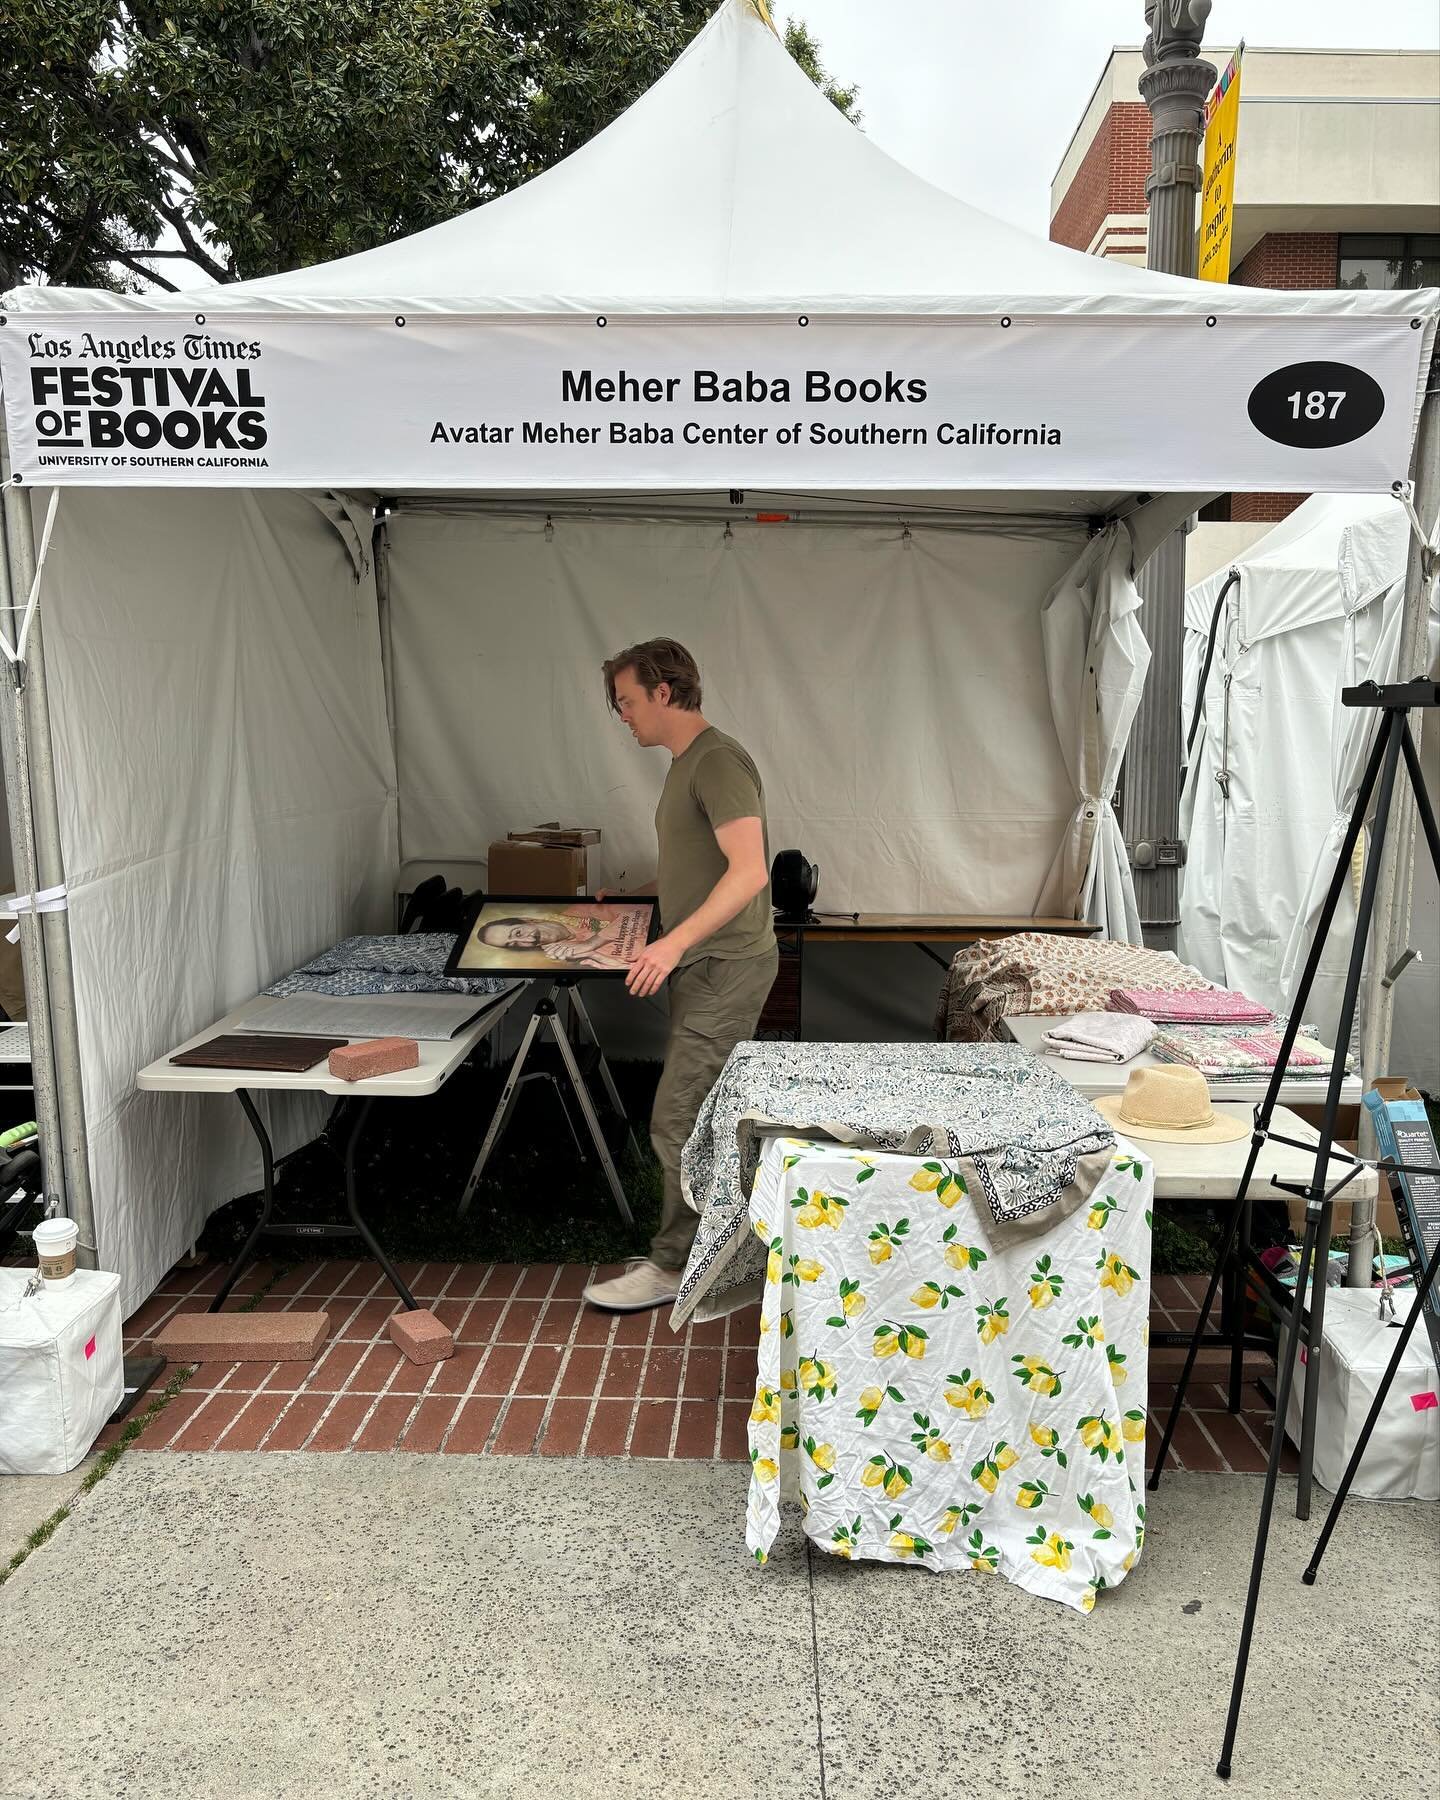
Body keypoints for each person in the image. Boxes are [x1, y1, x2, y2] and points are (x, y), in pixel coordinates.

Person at [583, 638, 777, 1313]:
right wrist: (636, 901)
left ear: (665, 692)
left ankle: (674, 1266)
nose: (624, 716)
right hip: (705, 963)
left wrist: (669, 946)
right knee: (703, 1116)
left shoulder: (717, 762)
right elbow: (699, 865)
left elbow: (750, 871)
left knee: (678, 1117)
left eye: (628, 702)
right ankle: (719, 1246)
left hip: (725, 965)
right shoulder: (687, 764)